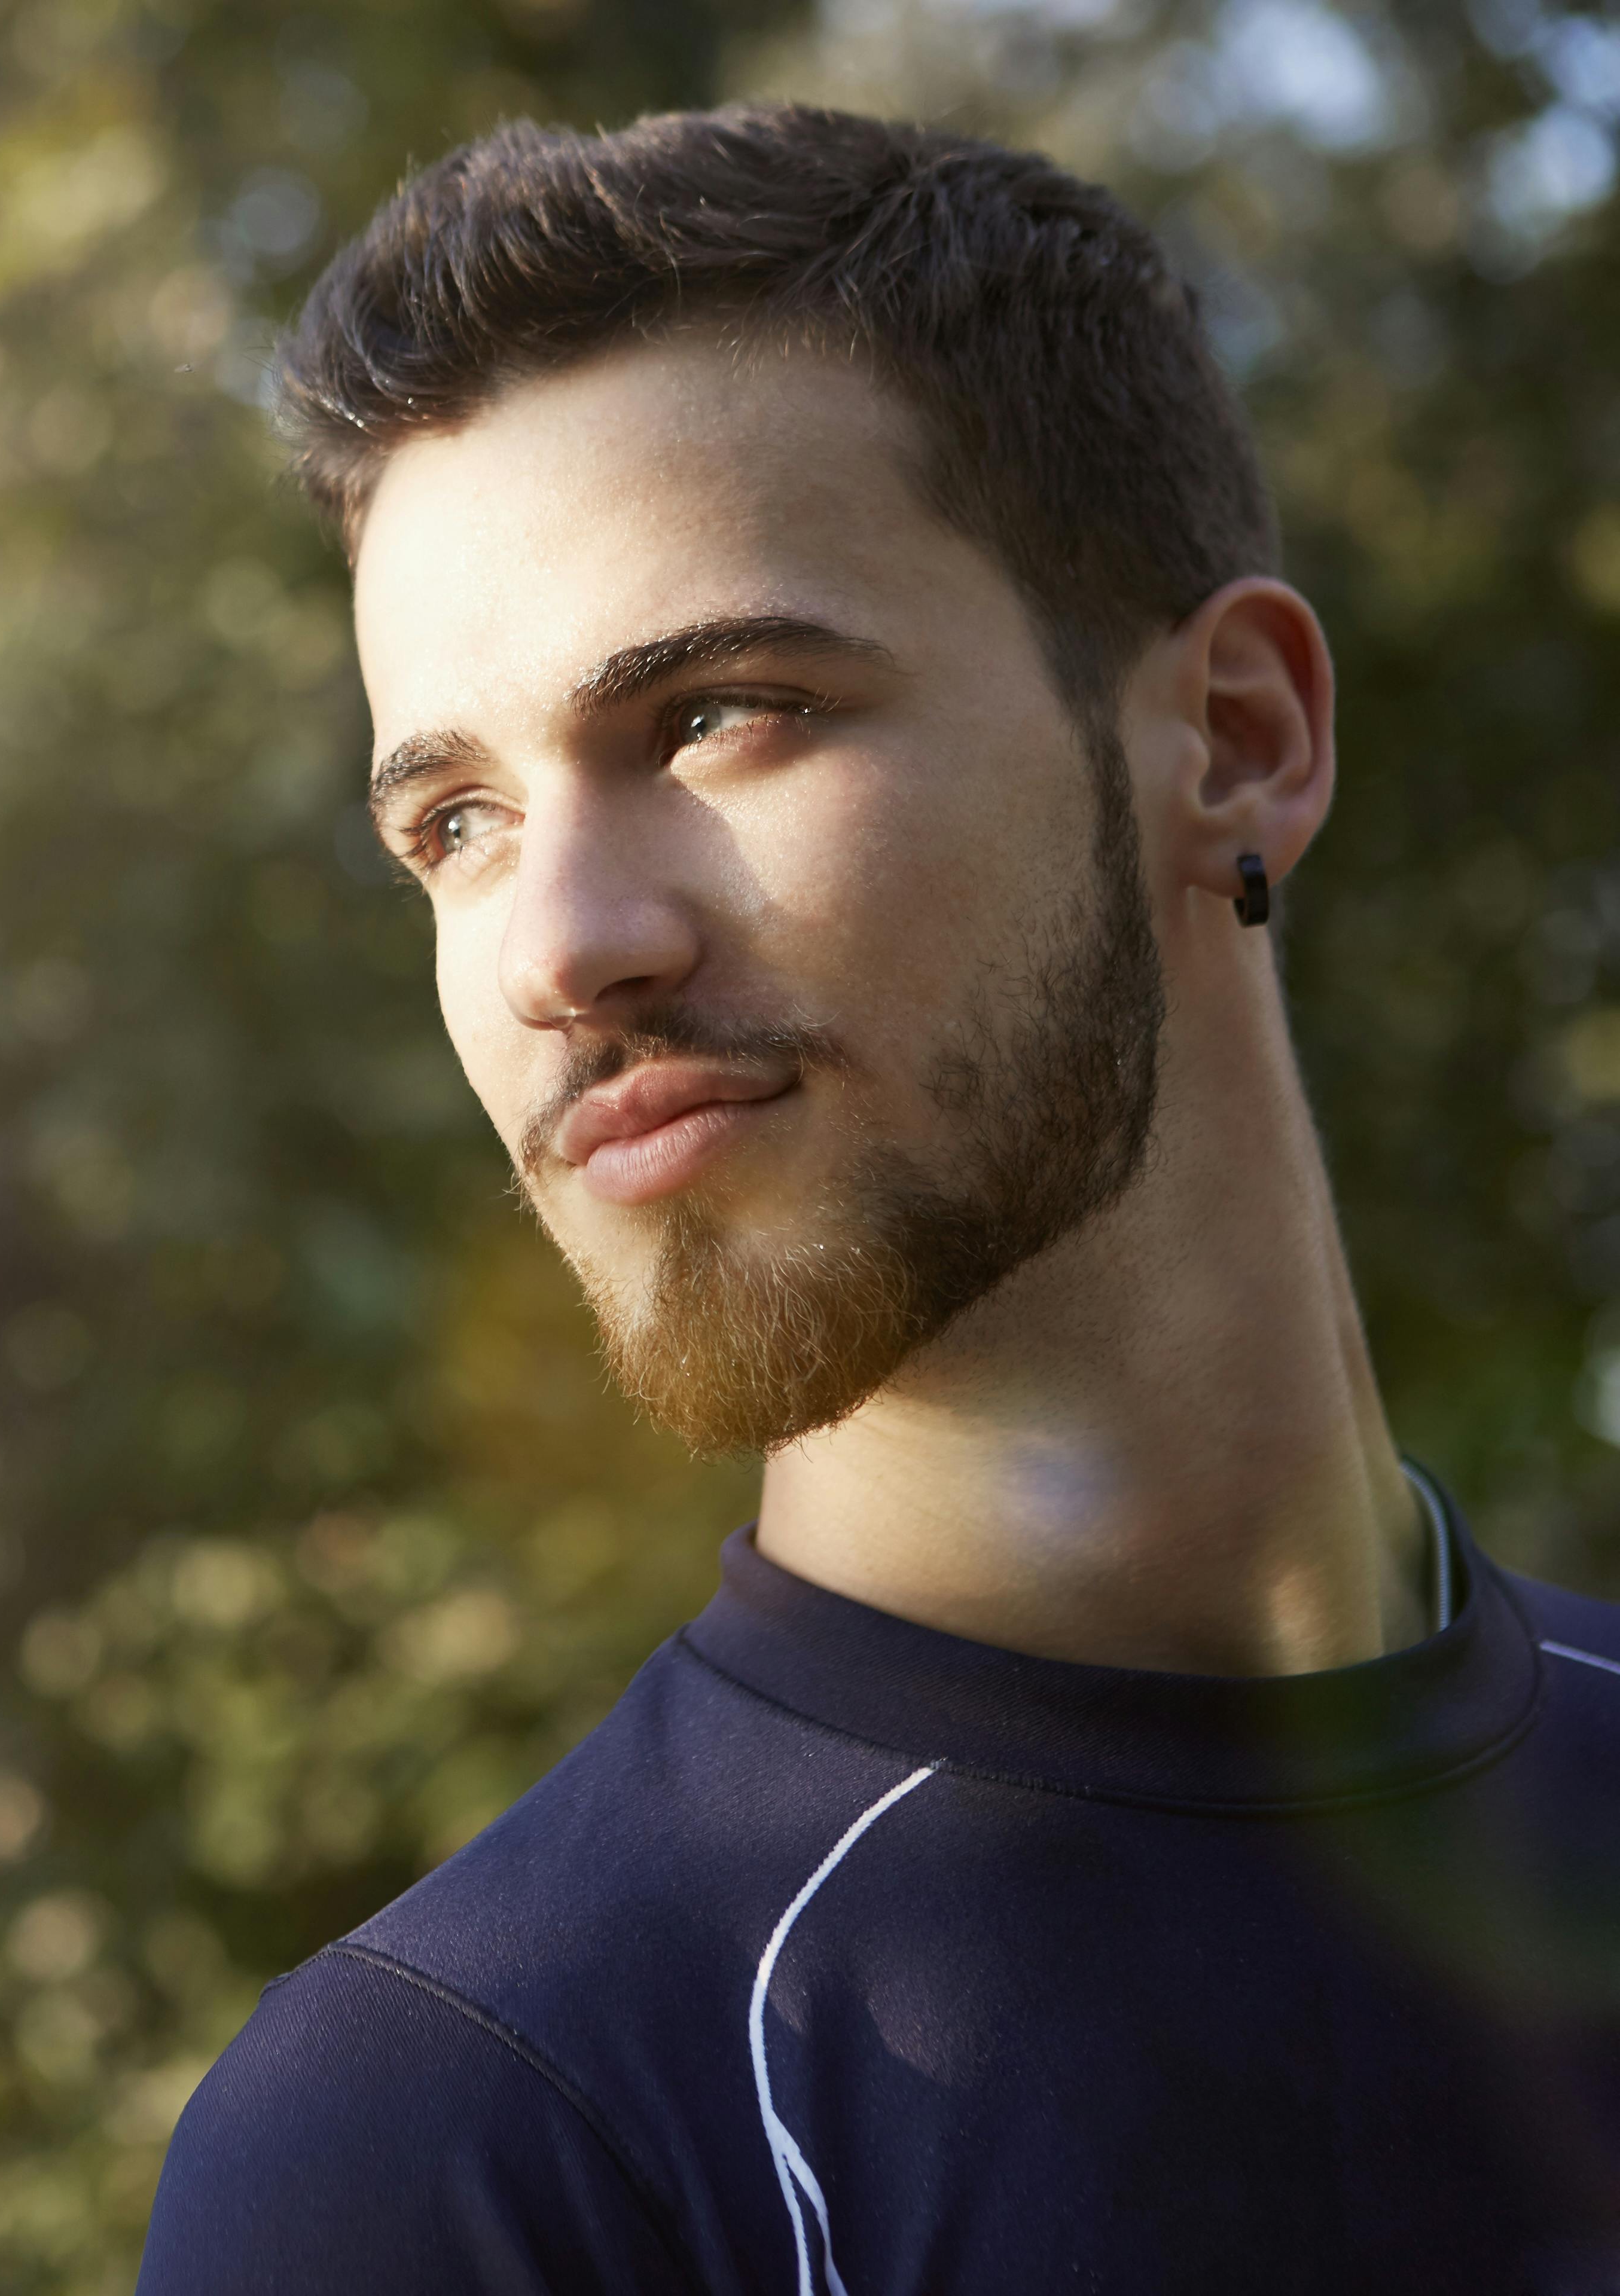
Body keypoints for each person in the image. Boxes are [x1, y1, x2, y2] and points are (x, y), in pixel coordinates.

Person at [133, 104, 1620, 2295]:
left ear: (1234, 737)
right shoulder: (458, 2144)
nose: (561, 948)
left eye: (722, 710)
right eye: (450, 823)